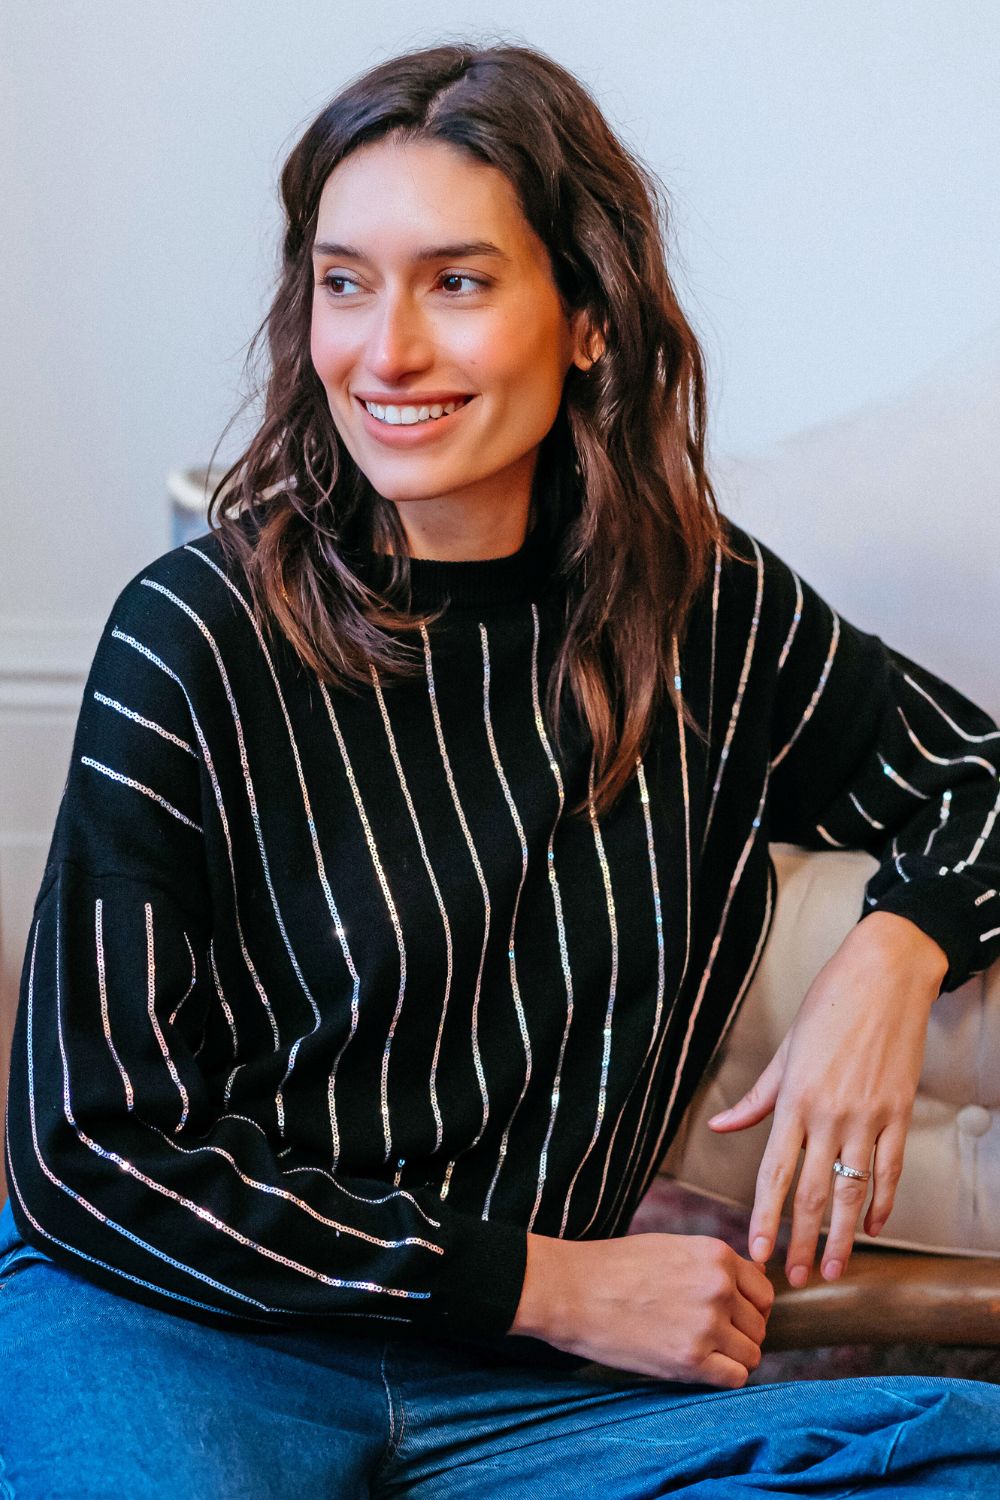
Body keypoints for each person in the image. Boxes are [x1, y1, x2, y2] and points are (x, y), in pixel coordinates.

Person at [2, 38, 999, 1498]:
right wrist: (549, 1287)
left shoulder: (699, 615)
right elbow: (90, 1154)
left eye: (456, 282)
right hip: (185, 1334)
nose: (385, 352)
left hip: (528, 1411)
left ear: (588, 318)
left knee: (949, 1464)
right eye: (346, 282)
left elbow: (975, 774)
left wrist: (895, 955)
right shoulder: (195, 634)